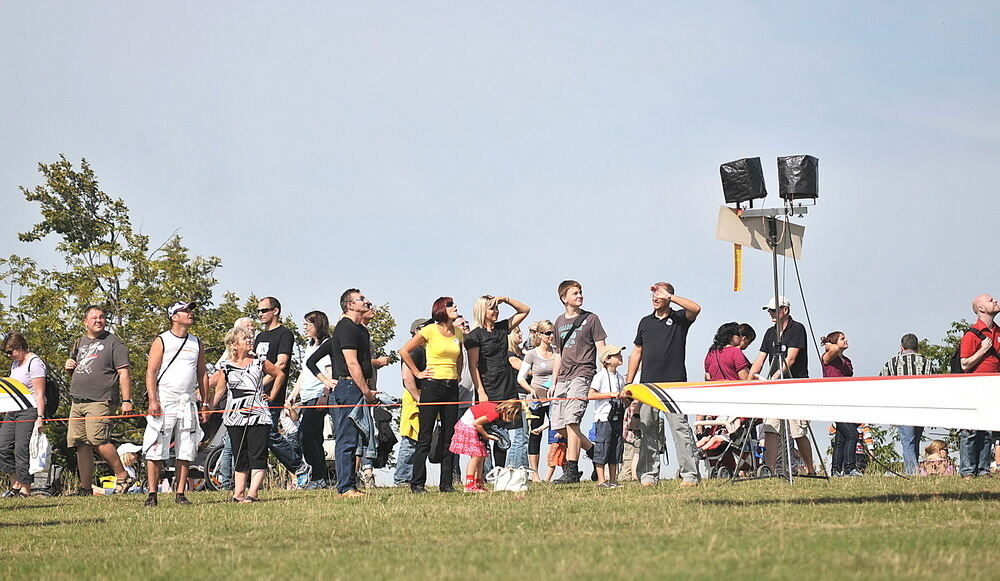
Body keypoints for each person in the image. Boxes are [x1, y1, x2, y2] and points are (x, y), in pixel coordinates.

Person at [625, 282, 701, 488]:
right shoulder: (645, 322)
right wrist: (629, 382)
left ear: (668, 296)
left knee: (680, 429)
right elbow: (637, 352)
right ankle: (648, 475)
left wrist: (671, 297)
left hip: (675, 385)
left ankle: (690, 475)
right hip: (648, 386)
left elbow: (695, 308)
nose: (655, 298)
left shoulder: (679, 318)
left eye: (659, 294)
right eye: (653, 295)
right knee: (648, 428)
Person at [306, 289, 377, 497]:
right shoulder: (345, 328)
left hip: (357, 388)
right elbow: (352, 362)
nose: (367, 301)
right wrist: (364, 390)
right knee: (346, 438)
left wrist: (368, 388)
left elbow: (363, 364)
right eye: (361, 299)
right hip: (347, 388)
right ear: (349, 305)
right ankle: (345, 487)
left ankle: (350, 484)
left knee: (356, 439)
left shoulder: (361, 330)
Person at [141, 301, 210, 506]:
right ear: (174, 316)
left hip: (187, 400)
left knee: (187, 446)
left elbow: (202, 372)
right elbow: (151, 372)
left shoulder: (196, 342)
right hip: (165, 399)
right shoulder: (162, 340)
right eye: (185, 311)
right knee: (156, 444)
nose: (190, 314)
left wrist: (205, 403)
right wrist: (153, 400)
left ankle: (180, 493)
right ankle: (152, 493)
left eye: (190, 310)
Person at [64, 305, 135, 496]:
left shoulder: (114, 343)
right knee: (80, 444)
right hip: (77, 400)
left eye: (102, 317)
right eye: (94, 317)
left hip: (100, 400)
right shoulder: (79, 342)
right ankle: (85, 489)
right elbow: (78, 370)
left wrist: (126, 400)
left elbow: (124, 373)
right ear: (85, 322)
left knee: (99, 440)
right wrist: (69, 368)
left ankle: (123, 477)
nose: (98, 320)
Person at [399, 297, 464, 494]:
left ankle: (446, 484)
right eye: (451, 305)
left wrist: (458, 374)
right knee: (425, 435)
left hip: (451, 387)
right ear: (441, 309)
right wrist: (418, 373)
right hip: (432, 387)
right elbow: (404, 351)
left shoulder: (458, 332)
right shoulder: (429, 330)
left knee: (449, 436)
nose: (456, 308)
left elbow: (459, 355)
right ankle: (417, 484)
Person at [748, 295, 815, 476]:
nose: (770, 313)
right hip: (774, 387)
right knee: (771, 428)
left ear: (785, 310)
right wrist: (748, 381)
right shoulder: (770, 333)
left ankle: (810, 468)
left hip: (796, 384)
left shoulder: (797, 329)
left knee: (797, 430)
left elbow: (791, 358)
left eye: (773, 310)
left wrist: (776, 376)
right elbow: (759, 359)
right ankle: (768, 470)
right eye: (769, 310)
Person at [215, 326, 284, 502]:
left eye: (250, 338)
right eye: (245, 338)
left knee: (257, 453)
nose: (249, 340)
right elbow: (220, 390)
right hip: (235, 415)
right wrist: (208, 408)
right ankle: (238, 493)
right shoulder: (226, 366)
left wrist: (272, 395)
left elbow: (279, 373)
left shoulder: (259, 361)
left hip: (258, 414)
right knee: (240, 455)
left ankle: (252, 493)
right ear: (234, 344)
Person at [465, 295, 530, 469]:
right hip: (488, 387)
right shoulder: (474, 335)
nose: (496, 311)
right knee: (485, 432)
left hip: (507, 387)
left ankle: (500, 473)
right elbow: (473, 365)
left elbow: (525, 310)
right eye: (491, 308)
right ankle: (483, 474)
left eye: (496, 308)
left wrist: (506, 299)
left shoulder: (501, 328)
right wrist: (480, 391)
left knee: (505, 434)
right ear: (482, 311)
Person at [550, 280, 605, 484]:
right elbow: (557, 354)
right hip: (563, 376)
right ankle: (592, 450)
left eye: (580, 292)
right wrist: (553, 382)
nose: (580, 295)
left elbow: (601, 348)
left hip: (582, 373)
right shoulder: (558, 322)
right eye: (575, 293)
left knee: (572, 420)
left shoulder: (591, 319)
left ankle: (572, 470)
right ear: (564, 298)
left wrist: (605, 374)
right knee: (557, 424)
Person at [253, 296, 311, 487]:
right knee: (254, 435)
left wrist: (262, 384)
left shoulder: (284, 334)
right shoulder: (259, 337)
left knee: (268, 432)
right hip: (253, 393)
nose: (260, 314)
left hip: (272, 393)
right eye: (258, 311)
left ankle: (298, 466)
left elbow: (282, 364)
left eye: (264, 310)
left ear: (275, 310)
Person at [878, 333, 935, 476]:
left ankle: (912, 471)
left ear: (901, 347)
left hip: (902, 406)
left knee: (907, 441)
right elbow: (933, 385)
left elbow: (881, 383)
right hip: (921, 406)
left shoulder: (892, 363)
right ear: (917, 346)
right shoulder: (926, 362)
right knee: (915, 440)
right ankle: (913, 469)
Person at [957, 294, 1000, 479]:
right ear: (981, 309)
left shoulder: (998, 332)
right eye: (990, 300)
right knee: (970, 430)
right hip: (974, 385)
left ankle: (982, 470)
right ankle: (967, 471)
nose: (995, 301)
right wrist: (983, 349)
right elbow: (964, 364)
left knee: (987, 429)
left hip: (992, 385)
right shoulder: (971, 334)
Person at [0, 332, 47, 497]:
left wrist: (40, 417)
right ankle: (15, 482)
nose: (9, 355)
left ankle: (25, 488)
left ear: (20, 347)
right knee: (3, 446)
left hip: (29, 410)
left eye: (10, 351)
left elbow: (39, 393)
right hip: (12, 410)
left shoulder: (34, 363)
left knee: (22, 449)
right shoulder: (15, 364)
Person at [289, 310, 331, 489]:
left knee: (304, 436)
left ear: (318, 325)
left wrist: (325, 394)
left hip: (317, 396)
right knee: (314, 438)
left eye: (309, 324)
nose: (305, 327)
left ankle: (317, 476)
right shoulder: (309, 346)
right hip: (306, 396)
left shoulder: (327, 344)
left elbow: (329, 371)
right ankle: (322, 478)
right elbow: (304, 373)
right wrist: (293, 394)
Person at [213, 317, 257, 490]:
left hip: (250, 407)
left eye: (252, 326)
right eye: (247, 327)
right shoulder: (229, 357)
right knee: (232, 445)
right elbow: (219, 379)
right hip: (233, 405)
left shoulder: (253, 355)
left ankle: (234, 482)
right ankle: (226, 482)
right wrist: (209, 404)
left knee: (236, 446)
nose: (251, 329)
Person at [448, 400, 521, 492]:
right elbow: (476, 423)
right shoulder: (494, 413)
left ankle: (478, 483)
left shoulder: (496, 410)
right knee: (476, 456)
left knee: (482, 456)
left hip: (473, 427)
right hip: (468, 426)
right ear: (507, 411)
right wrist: (486, 435)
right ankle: (469, 484)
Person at [519, 319, 556, 481]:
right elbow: (521, 378)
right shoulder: (532, 354)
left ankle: (550, 474)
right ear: (540, 335)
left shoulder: (557, 353)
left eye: (553, 333)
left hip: (554, 398)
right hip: (536, 399)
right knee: (535, 434)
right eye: (548, 333)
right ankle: (534, 473)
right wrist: (531, 390)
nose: (551, 336)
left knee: (556, 433)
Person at [819, 331, 860, 477]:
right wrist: (829, 344)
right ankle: (849, 467)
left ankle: (836, 469)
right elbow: (835, 350)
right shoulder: (827, 357)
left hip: (846, 401)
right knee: (852, 434)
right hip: (834, 401)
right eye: (842, 339)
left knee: (841, 437)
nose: (846, 340)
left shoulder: (847, 361)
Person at [395, 318, 429, 486]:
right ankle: (402, 478)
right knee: (410, 438)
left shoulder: (423, 349)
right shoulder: (413, 349)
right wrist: (418, 398)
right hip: (413, 396)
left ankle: (409, 476)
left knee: (418, 438)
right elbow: (407, 378)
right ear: (417, 330)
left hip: (420, 395)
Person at [589, 345, 627, 488]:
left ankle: (613, 480)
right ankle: (601, 480)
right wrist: (610, 395)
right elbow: (591, 395)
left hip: (617, 417)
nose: (620, 356)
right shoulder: (599, 376)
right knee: (602, 448)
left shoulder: (620, 378)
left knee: (615, 449)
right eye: (616, 355)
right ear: (607, 360)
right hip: (603, 418)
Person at [504, 326, 529, 469]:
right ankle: (515, 467)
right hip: (518, 395)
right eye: (517, 331)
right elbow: (527, 370)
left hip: (523, 395)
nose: (521, 334)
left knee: (523, 435)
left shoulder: (520, 353)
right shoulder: (510, 355)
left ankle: (520, 467)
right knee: (520, 436)